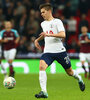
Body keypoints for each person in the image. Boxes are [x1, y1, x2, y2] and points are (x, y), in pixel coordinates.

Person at [34, 3, 85, 98]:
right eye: (41, 12)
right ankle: (44, 92)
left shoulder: (57, 22)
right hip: (48, 52)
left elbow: (63, 35)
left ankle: (79, 78)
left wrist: (49, 35)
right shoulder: (43, 23)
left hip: (60, 51)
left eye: (43, 12)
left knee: (69, 72)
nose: (41, 14)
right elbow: (45, 34)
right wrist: (37, 40)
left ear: (49, 11)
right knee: (41, 67)